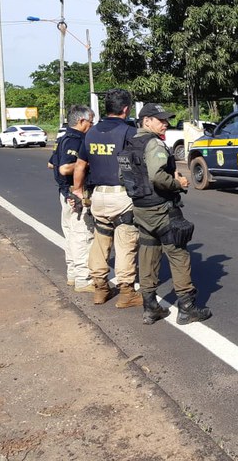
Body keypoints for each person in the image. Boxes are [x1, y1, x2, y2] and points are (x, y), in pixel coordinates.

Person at [119, 102, 211, 325]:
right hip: (161, 209)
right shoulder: (154, 145)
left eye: (166, 120)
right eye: (161, 120)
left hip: (141, 209)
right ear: (147, 121)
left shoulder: (131, 144)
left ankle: (150, 307)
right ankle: (187, 308)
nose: (166, 124)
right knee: (178, 254)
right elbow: (158, 177)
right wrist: (178, 182)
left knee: (148, 253)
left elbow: (123, 177)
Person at [71, 89, 142, 308]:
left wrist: (78, 190)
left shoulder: (91, 133)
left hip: (98, 196)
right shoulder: (129, 132)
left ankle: (100, 289)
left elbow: (81, 165)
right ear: (126, 109)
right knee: (125, 244)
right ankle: (127, 292)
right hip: (121, 197)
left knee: (100, 244)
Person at [50, 104, 95, 291]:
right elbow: (63, 167)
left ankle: (73, 274)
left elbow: (50, 163)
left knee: (70, 235)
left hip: (65, 192)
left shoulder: (62, 138)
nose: (92, 125)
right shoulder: (76, 140)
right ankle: (84, 279)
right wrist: (86, 164)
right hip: (75, 193)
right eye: (91, 122)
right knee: (82, 236)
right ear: (81, 121)